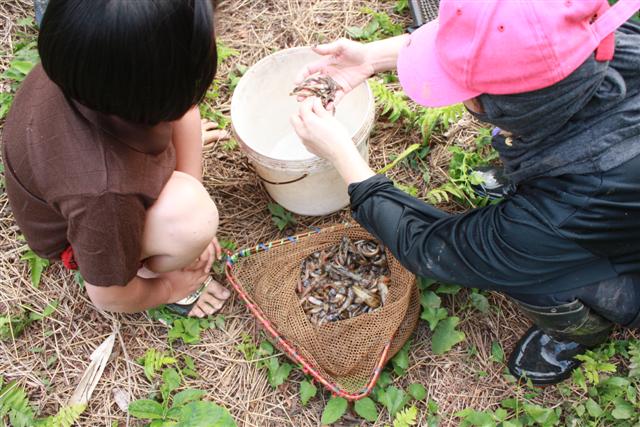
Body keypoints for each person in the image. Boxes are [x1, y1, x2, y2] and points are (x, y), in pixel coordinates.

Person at [291, 0, 640, 385]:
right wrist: (369, 58)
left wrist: (343, 154)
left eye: (468, 93)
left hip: (616, 237)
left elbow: (429, 248)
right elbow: (510, 41)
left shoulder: (563, 213)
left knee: (531, 270)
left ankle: (579, 331)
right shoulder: (592, 41)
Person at [2, 0, 231, 318]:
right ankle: (152, 268)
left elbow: (180, 99)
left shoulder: (91, 59)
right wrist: (169, 288)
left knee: (187, 112)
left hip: (112, 149)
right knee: (192, 220)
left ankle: (173, 183)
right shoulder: (105, 194)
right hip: (89, 226)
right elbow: (109, 296)